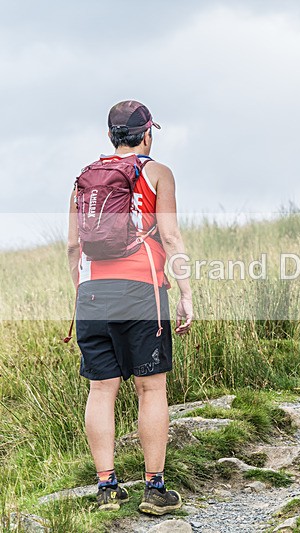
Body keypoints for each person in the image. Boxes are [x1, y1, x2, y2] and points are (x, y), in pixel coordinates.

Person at [67, 100, 193, 515]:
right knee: (150, 387)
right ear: (147, 134)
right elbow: (171, 237)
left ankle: (107, 488)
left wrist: (81, 292)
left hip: (92, 293)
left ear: (109, 136)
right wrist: (186, 293)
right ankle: (154, 489)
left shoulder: (84, 179)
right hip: (142, 288)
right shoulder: (157, 173)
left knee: (100, 389)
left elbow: (72, 246)